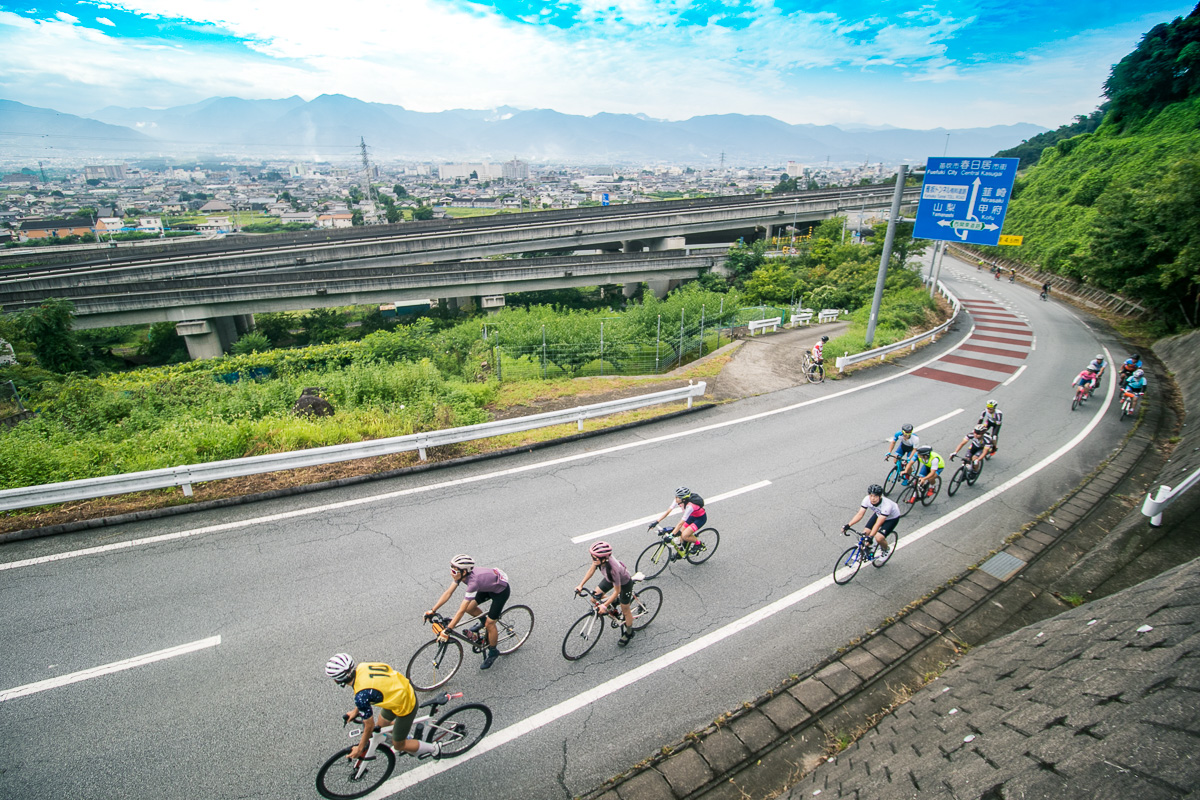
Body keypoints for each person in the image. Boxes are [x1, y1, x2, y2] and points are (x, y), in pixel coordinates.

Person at [324, 653, 441, 761]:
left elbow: (369, 726)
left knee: (398, 745)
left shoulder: (361, 696)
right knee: (381, 726)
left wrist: (359, 749)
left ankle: (434, 748)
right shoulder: (362, 667)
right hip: (397, 692)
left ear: (338, 680)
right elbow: (368, 692)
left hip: (404, 703)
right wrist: (356, 711)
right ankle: (406, 736)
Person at [425, 554, 508, 670]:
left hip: (500, 592)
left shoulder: (473, 583)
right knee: (471, 608)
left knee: (490, 624)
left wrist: (448, 629)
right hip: (487, 587)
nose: (451, 573)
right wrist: (432, 610)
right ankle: (483, 622)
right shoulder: (461, 576)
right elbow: (448, 593)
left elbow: (461, 609)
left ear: (464, 572)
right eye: (451, 569)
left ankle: (494, 651)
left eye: (454, 571)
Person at [575, 541, 637, 646]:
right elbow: (591, 571)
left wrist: (604, 605)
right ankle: (615, 600)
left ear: (604, 559)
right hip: (610, 579)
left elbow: (617, 591)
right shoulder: (599, 561)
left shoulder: (613, 570)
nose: (592, 559)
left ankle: (629, 632)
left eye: (595, 558)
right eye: (592, 556)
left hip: (624, 584)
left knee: (625, 610)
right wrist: (580, 585)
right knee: (594, 598)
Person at [842, 484, 899, 558]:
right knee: (864, 533)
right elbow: (860, 514)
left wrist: (871, 537)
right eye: (871, 496)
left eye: (875, 496)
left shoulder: (887, 506)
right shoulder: (867, 499)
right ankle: (862, 552)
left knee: (879, 537)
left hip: (891, 518)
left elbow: (878, 523)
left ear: (880, 496)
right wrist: (848, 525)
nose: (872, 498)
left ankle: (886, 549)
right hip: (879, 514)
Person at [648, 487, 707, 556]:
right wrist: (657, 521)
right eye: (676, 496)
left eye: (677, 497)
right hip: (691, 516)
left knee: (685, 535)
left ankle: (699, 544)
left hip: (700, 519)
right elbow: (668, 511)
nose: (675, 499)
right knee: (681, 534)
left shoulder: (690, 506)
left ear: (683, 499)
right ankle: (683, 551)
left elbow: (680, 523)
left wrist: (671, 535)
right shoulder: (678, 500)